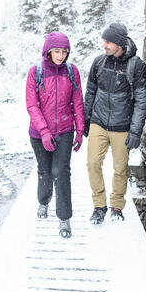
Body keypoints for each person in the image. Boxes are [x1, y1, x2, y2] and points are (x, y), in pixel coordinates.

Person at [83, 22, 146, 224]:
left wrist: (136, 132)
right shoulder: (99, 62)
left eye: (108, 41)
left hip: (123, 126)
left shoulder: (136, 66)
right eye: (104, 41)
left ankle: (116, 207)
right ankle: (99, 206)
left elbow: (142, 100)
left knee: (120, 169)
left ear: (120, 43)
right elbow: (90, 93)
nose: (104, 45)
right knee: (93, 164)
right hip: (99, 122)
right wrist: (86, 120)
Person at [25, 31, 86, 238]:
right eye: (57, 51)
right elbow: (32, 105)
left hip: (65, 131)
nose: (61, 55)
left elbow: (77, 101)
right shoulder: (36, 72)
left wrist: (80, 130)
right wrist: (43, 132)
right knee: (45, 171)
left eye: (64, 52)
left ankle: (64, 218)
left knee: (61, 172)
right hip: (39, 133)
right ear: (48, 51)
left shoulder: (72, 71)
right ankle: (43, 201)